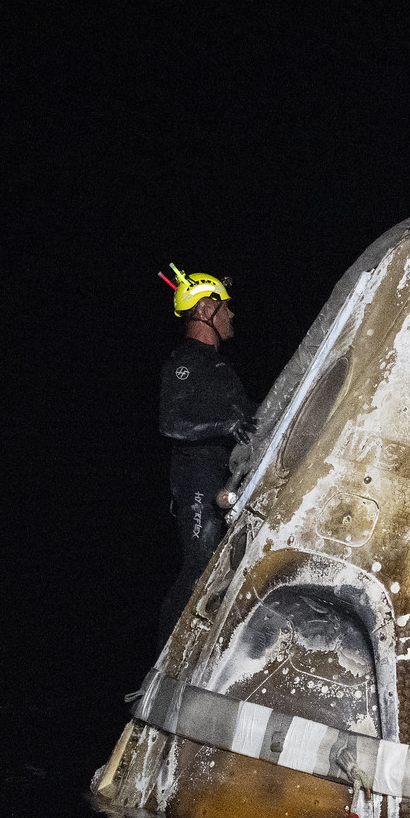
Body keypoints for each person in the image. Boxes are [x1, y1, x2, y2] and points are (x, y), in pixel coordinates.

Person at [158, 265, 256, 644]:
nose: (231, 314)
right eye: (225, 306)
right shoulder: (186, 360)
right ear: (204, 311)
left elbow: (249, 417)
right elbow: (171, 422)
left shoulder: (221, 368)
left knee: (224, 568)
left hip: (224, 479)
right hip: (196, 478)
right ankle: (162, 663)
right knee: (199, 565)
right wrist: (227, 426)